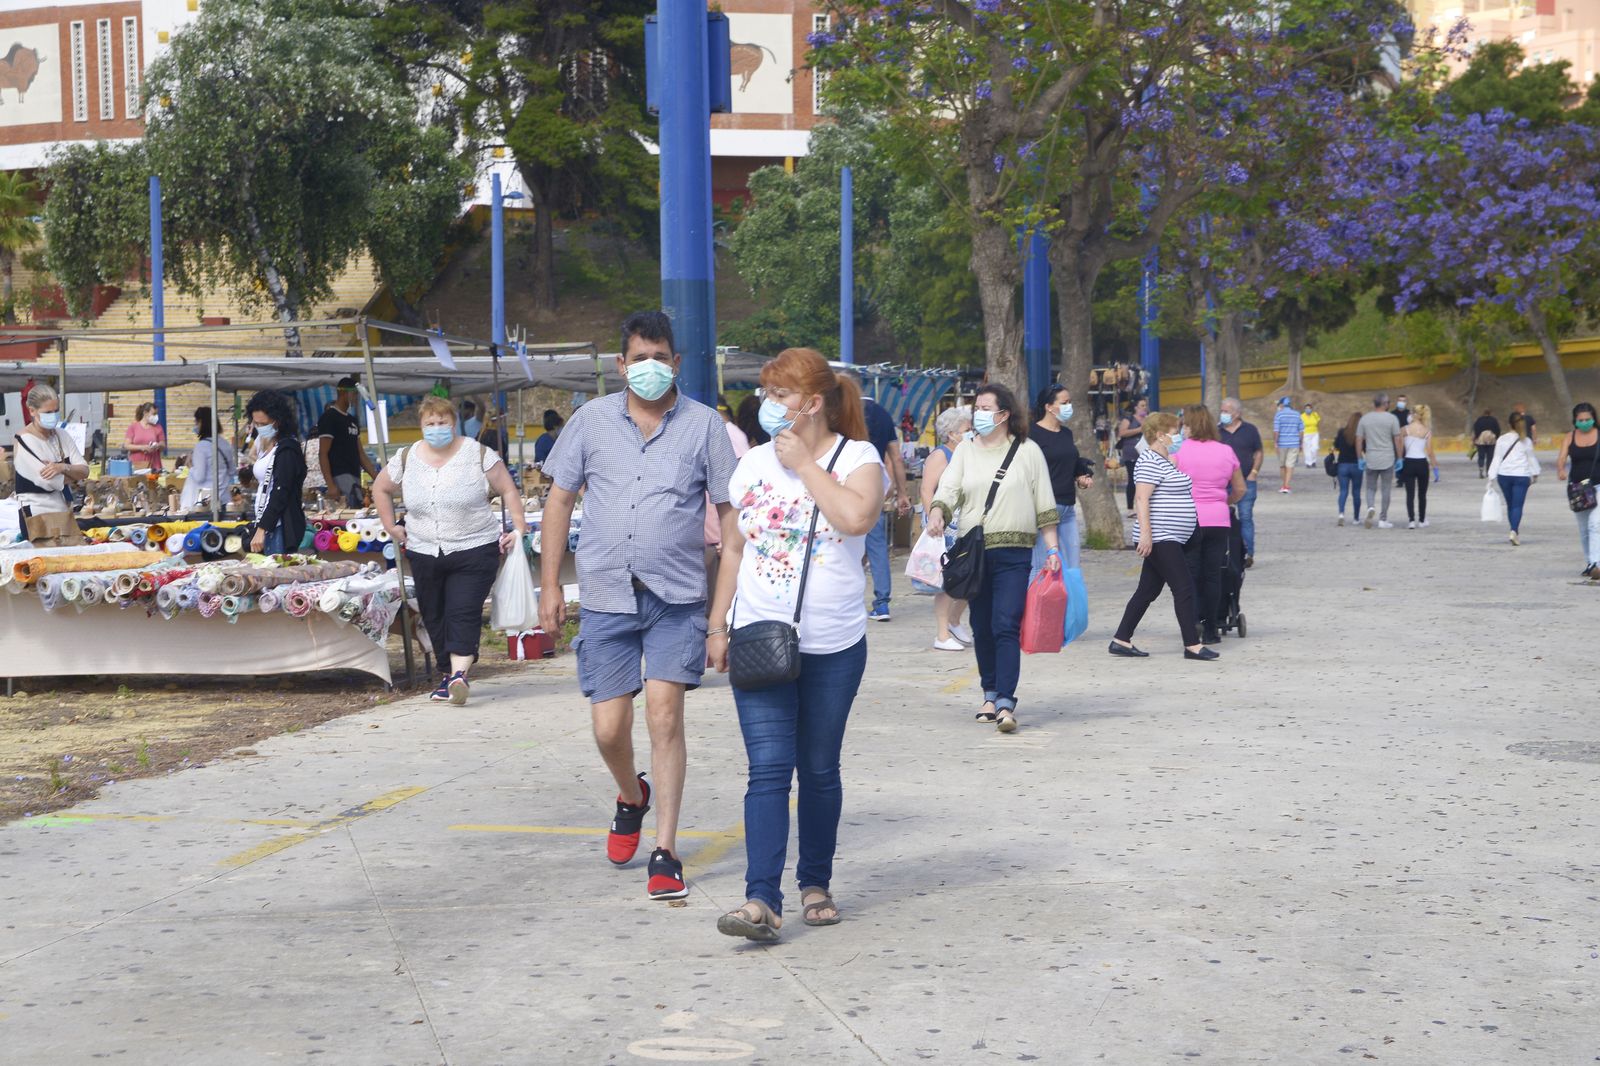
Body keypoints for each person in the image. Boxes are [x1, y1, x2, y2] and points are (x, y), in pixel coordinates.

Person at [537, 310, 739, 901]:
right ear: (620, 366)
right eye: (638, 359)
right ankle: (631, 794)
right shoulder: (590, 422)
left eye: (660, 358)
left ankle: (666, 848)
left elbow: (730, 517)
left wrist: (720, 615)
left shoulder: (705, 427)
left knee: (665, 717)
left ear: (676, 363)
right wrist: (551, 585)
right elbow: (558, 502)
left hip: (677, 597)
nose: (650, 369)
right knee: (608, 728)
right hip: (604, 596)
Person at [705, 347, 884, 943]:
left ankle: (815, 882)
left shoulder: (858, 459)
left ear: (811, 403)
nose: (767, 404)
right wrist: (718, 623)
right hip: (759, 636)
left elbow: (855, 520)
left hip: (834, 644)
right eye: (765, 392)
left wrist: (807, 465)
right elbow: (733, 548)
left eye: (779, 394)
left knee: (819, 767)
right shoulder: (751, 464)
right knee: (768, 770)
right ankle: (761, 901)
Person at [373, 395, 527, 705]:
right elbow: (381, 488)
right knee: (433, 612)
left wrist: (518, 528)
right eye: (430, 423)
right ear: (421, 426)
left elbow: (508, 489)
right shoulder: (407, 457)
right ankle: (448, 675)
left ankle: (459, 674)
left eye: (442, 422)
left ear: (454, 424)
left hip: (474, 548)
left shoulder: (478, 453)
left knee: (463, 610)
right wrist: (391, 525)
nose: (436, 428)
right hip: (424, 548)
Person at [926, 383, 1060, 733]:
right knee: (982, 625)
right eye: (976, 408)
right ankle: (988, 692)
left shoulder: (1028, 451)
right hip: (976, 552)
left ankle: (1005, 701)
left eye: (986, 408)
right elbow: (950, 487)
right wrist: (938, 511)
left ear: (1004, 414)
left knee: (1005, 623)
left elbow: (1044, 502)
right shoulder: (967, 450)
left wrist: (1053, 548)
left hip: (1015, 551)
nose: (979, 414)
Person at [1109, 412, 1217, 662]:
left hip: (1170, 537)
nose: (1179, 435)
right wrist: (1146, 534)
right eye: (1175, 430)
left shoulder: (1164, 460)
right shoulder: (1148, 461)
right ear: (1160, 435)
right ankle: (1192, 645)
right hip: (1160, 537)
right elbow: (1141, 498)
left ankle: (1121, 639)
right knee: (1184, 587)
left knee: (1147, 590)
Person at [1173, 404, 1245, 645]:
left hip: (1189, 519)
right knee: (1213, 575)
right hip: (1218, 519)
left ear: (1190, 425)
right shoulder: (1226, 451)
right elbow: (1240, 489)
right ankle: (1213, 628)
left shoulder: (1179, 451)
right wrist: (1223, 501)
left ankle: (1193, 624)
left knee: (1190, 574)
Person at [921, 405, 973, 651]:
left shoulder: (969, 453)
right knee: (947, 581)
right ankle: (942, 634)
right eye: (967, 429)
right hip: (944, 526)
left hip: (965, 524)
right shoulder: (941, 456)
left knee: (970, 576)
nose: (971, 432)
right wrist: (934, 519)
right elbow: (926, 490)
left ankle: (953, 620)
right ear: (952, 433)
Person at [1030, 385, 1093, 573]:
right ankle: (1037, 602)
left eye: (1070, 402)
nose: (1069, 407)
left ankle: (1069, 601)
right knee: (1043, 565)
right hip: (1044, 508)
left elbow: (1069, 463)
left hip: (1067, 507)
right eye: (1064, 403)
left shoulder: (1066, 433)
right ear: (1049, 407)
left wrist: (1081, 475)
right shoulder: (1032, 434)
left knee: (1072, 565)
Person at [861, 392, 911, 621]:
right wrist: (902, 492)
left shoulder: (838, 410)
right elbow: (896, 458)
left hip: (841, 485)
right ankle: (882, 604)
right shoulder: (883, 415)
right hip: (873, 487)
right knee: (877, 546)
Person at [242, 390, 308, 555]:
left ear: (278, 421)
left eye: (263, 424)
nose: (259, 428)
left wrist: (262, 528)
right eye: (256, 424)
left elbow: (281, 491)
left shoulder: (287, 450)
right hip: (270, 523)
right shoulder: (268, 444)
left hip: (280, 527)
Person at [10, 384, 88, 515]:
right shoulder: (24, 439)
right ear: (32, 411)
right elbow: (48, 481)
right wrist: (74, 474)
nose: (53, 416)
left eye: (55, 411)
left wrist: (63, 468)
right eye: (47, 413)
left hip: (62, 508)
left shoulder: (62, 435)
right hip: (37, 512)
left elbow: (85, 470)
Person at [314, 375, 378, 507]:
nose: (356, 398)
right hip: (339, 474)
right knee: (351, 508)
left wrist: (376, 477)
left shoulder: (352, 420)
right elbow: (323, 453)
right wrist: (331, 485)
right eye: (354, 394)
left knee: (358, 506)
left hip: (354, 473)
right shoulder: (329, 418)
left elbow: (360, 453)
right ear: (344, 393)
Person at [1555, 402, 1600, 580]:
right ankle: (1590, 562)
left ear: (1594, 419)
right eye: (1580, 420)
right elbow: (1562, 457)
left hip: (1598, 486)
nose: (1584, 422)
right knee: (1583, 529)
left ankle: (1597, 563)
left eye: (1587, 419)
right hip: (1577, 489)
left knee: (1595, 524)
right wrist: (1560, 469)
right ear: (1575, 421)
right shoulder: (1570, 437)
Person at [1218, 398, 1263, 567]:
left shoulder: (1250, 430)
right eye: (1222, 411)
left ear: (1237, 413)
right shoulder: (1217, 431)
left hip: (1246, 481)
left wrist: (1254, 472)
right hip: (1223, 482)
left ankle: (1247, 554)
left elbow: (1258, 452)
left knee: (1245, 517)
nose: (1223, 414)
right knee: (1223, 518)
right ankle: (1227, 553)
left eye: (1226, 411)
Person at [1488, 412, 1541, 546]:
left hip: (1504, 476)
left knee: (1510, 505)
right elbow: (1531, 458)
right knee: (1517, 506)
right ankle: (1514, 531)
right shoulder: (1526, 440)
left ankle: (1513, 530)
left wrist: (1491, 475)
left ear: (1508, 424)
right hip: (1521, 476)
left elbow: (1497, 458)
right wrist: (1535, 473)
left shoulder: (1501, 439)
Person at [1356, 393, 1403, 529]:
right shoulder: (1392, 419)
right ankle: (1383, 519)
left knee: (1370, 487)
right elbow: (1397, 439)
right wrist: (1400, 457)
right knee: (1386, 489)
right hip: (1387, 458)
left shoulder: (1365, 419)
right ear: (1385, 404)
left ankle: (1371, 507)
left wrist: (1360, 458)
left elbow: (1359, 439)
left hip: (1371, 458)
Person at [178, 406, 237, 512]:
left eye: (196, 422)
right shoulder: (225, 443)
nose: (195, 426)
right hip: (223, 498)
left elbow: (199, 477)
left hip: (206, 502)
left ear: (201, 422)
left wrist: (190, 466)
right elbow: (232, 471)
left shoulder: (201, 447)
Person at [1400, 403, 1438, 529]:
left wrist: (1399, 459)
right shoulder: (1427, 431)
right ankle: (1422, 520)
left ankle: (1411, 520)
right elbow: (1430, 451)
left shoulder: (1405, 429)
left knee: (1409, 494)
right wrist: (1435, 467)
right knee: (1422, 494)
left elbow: (1400, 447)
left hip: (1409, 462)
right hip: (1422, 463)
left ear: (1414, 415)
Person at [1116, 398, 1148, 514]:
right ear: (1136, 407)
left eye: (1145, 405)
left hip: (1145, 453)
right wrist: (1139, 429)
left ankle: (1142, 506)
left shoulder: (1148, 419)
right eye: (1142, 405)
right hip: (1131, 453)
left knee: (1143, 481)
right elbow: (1122, 432)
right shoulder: (1129, 419)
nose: (1144, 407)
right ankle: (1130, 508)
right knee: (1132, 480)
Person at [1333, 412, 1362, 526]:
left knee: (1343, 491)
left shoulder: (1341, 432)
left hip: (1343, 465)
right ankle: (1356, 518)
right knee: (1356, 492)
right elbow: (1364, 448)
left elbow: (1336, 446)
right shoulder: (1360, 434)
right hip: (1356, 465)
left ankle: (1341, 514)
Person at [124, 401, 166, 472]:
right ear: (145, 413)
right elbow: (127, 445)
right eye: (154, 414)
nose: (156, 416)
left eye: (156, 414)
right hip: (137, 465)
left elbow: (163, 444)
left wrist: (157, 445)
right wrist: (142, 447)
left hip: (154, 465)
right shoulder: (133, 427)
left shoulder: (158, 427)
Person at [1273, 396, 1302, 493]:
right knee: (1290, 465)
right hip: (1294, 443)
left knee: (1282, 465)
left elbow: (1276, 431)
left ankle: (1284, 485)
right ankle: (1287, 486)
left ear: (1281, 405)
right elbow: (1301, 431)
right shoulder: (1297, 415)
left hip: (1282, 444)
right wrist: (1300, 443)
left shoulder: (1279, 415)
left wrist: (1275, 442)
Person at [1473, 409, 1501, 478]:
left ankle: (1481, 470)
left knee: (1481, 456)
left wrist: (1476, 437)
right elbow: (1498, 429)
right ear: (1490, 413)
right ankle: (1488, 472)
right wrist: (1496, 437)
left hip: (1481, 440)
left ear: (1483, 413)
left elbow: (1476, 429)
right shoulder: (1494, 420)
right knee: (1490, 457)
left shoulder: (1479, 420)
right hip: (1491, 440)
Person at [1300, 402, 1322, 467]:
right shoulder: (1302, 416)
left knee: (1315, 448)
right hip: (1306, 433)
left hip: (1315, 433)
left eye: (1309, 408)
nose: (1308, 409)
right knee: (1307, 448)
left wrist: (1318, 431)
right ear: (1304, 409)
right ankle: (1309, 462)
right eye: (1306, 408)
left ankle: (1313, 461)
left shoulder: (1315, 414)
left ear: (1311, 409)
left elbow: (1318, 422)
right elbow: (1300, 426)